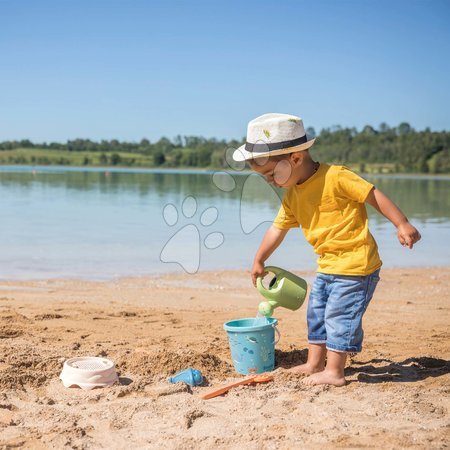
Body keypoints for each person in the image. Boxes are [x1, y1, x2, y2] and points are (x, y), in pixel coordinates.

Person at [233, 113, 421, 386]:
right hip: (328, 265)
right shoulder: (293, 195)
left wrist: (401, 223)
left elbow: (372, 194)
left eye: (272, 173)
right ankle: (314, 363)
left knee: (339, 315)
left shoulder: (336, 176)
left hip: (356, 264)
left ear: (295, 158)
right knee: (317, 312)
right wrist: (259, 259)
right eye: (265, 177)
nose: (270, 181)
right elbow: (277, 228)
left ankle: (334, 371)